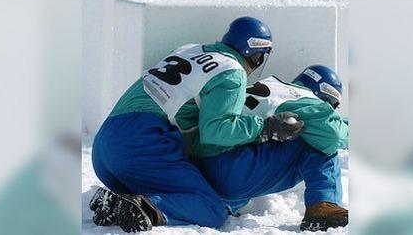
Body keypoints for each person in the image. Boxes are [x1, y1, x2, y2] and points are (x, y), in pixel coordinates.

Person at [89, 17, 305, 231]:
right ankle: (145, 207)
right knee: (210, 208)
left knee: (172, 187)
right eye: (261, 58)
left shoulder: (190, 49)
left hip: (104, 148)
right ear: (255, 54)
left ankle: (120, 203)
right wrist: (266, 128)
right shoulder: (232, 72)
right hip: (141, 142)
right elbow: (217, 130)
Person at [191, 64, 349, 232]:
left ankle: (228, 203)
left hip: (202, 167)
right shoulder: (303, 97)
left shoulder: (273, 87)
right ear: (326, 95)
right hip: (231, 169)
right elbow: (333, 135)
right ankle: (323, 206)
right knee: (320, 140)